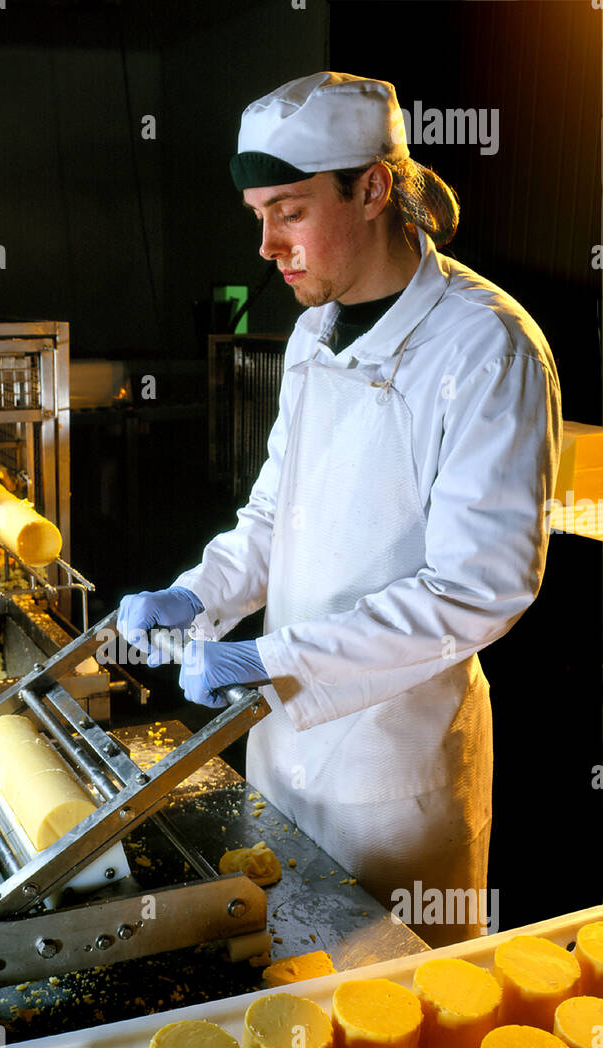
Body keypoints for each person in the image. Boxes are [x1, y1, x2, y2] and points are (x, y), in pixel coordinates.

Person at [117, 72, 561, 947]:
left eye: (288, 212)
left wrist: (269, 657)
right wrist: (198, 594)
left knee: (388, 1001)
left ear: (371, 188)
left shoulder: (485, 347)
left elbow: (476, 591)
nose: (267, 246)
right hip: (279, 747)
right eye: (258, 216)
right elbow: (274, 514)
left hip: (393, 774)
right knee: (278, 981)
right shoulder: (312, 332)